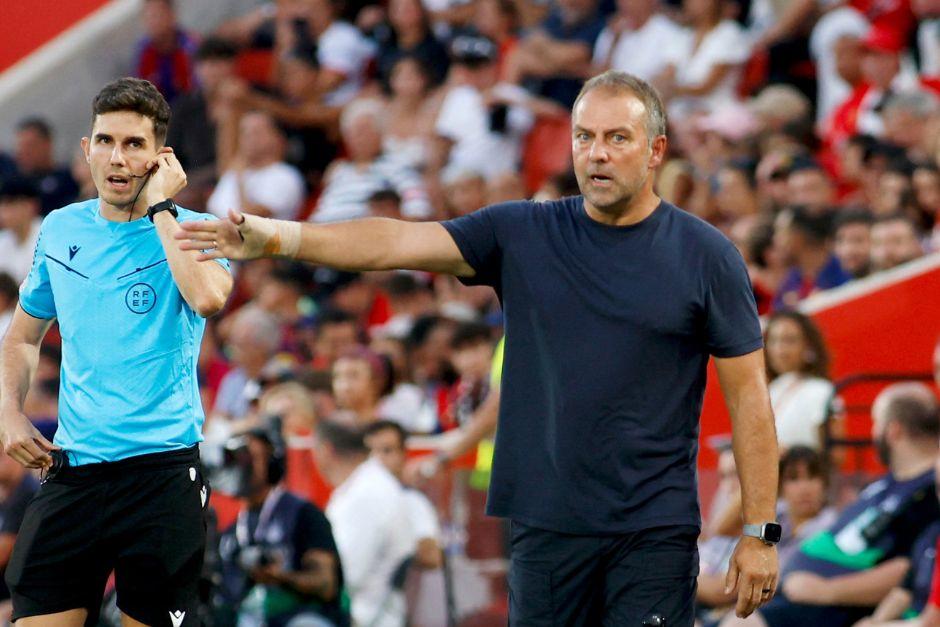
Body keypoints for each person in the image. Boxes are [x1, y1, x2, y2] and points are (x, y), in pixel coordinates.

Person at [178, 70, 781, 624]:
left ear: (656, 151)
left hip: (652, 530)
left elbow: (751, 397)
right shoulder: (523, 231)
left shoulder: (707, 257)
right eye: (584, 136)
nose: (596, 153)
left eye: (618, 138)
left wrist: (759, 530)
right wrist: (280, 236)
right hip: (545, 527)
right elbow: (394, 243)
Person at [0, 77, 233, 626]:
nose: (117, 158)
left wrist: (163, 210)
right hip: (74, 470)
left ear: (161, 157)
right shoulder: (60, 228)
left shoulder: (195, 228)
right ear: (86, 149)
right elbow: (22, 337)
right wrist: (8, 413)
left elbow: (207, 297)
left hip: (162, 474)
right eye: (105, 141)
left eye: (134, 145)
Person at [720, 381, 940, 627]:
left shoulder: (929, 493)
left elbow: (910, 568)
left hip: (829, 608)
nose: (873, 432)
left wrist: (825, 590)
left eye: (876, 422)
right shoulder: (889, 481)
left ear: (893, 430)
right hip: (793, 594)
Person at [216, 425, 346, 627]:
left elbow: (326, 584)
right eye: (234, 459)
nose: (240, 467)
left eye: (247, 458)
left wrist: (281, 577)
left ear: (272, 463)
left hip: (302, 615)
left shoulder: (303, 514)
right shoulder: (233, 531)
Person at [313, 420, 414, 627]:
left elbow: (346, 575)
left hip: (365, 618)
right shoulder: (364, 485)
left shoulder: (366, 494)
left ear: (325, 450)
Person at [764, 311, 838, 450]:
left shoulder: (821, 391)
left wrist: (794, 456)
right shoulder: (769, 390)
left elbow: (836, 456)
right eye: (773, 341)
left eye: (790, 341)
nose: (780, 350)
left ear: (808, 346)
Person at [0, 177, 43, 284]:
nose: (3, 212)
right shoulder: (3, 239)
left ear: (30, 206)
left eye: (9, 205)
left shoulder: (48, 234)